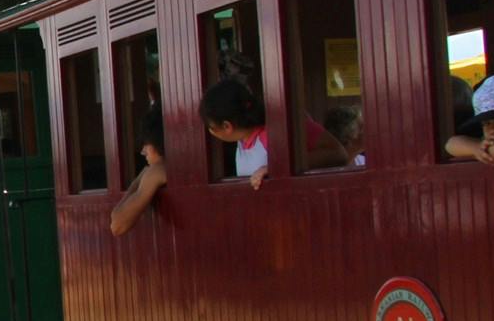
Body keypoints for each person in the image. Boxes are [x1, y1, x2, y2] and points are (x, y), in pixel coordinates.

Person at [201, 76, 346, 188]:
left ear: (227, 126)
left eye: (211, 127)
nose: (210, 132)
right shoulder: (242, 141)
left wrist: (277, 167)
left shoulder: (280, 129)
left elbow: (338, 153)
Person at [110, 106, 168, 235]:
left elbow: (117, 226)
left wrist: (139, 179)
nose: (143, 151)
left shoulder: (157, 171)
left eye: (146, 143)